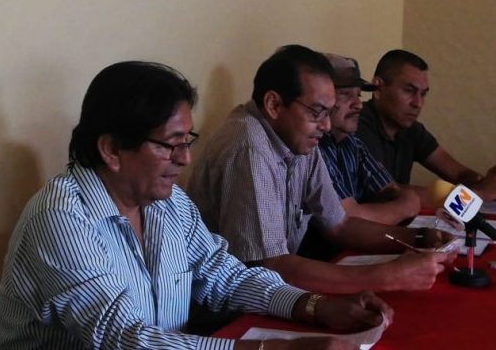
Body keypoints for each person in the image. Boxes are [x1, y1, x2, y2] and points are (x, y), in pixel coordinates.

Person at [0, 61, 393, 350]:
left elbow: (226, 278)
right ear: (112, 149)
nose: (184, 159)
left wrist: (314, 305)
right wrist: (272, 349)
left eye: (188, 141)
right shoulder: (62, 216)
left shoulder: (168, 204)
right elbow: (122, 338)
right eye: (171, 145)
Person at [188, 45, 455, 295]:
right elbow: (268, 266)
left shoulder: (299, 136)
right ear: (274, 105)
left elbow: (339, 224)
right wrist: (386, 276)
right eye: (317, 112)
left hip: (272, 290)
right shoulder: (250, 146)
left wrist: (418, 238)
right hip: (230, 305)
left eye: (328, 113)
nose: (326, 126)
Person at [356, 49, 496, 204]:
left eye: (423, 94)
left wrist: (492, 182)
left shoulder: (411, 129)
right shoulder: (356, 125)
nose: (418, 103)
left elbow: (458, 173)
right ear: (378, 88)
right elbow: (389, 192)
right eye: (409, 90)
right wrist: (477, 194)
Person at [318, 53, 420, 225]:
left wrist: (404, 201)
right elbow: (346, 219)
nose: (358, 104)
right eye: (345, 94)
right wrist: (406, 206)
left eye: (358, 95)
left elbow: (390, 189)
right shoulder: (314, 148)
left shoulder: (352, 143)